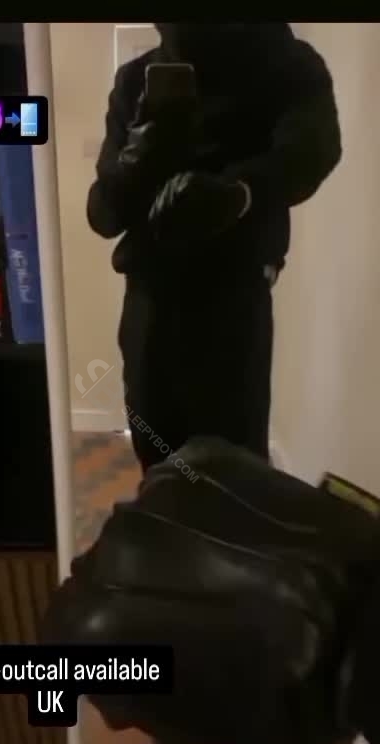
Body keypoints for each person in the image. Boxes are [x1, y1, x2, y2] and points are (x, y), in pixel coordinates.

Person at [87, 23, 342, 472]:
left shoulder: (287, 64)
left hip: (232, 296)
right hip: (151, 295)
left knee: (234, 464)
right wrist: (136, 162)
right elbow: (102, 216)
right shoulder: (136, 80)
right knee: (157, 454)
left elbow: (311, 151)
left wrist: (237, 193)